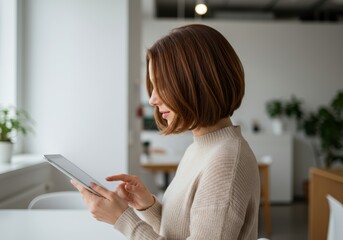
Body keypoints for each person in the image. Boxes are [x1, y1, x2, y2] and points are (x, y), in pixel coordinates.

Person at [72, 24, 260, 239]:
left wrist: (122, 219)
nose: (152, 99)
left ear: (197, 82)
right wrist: (147, 205)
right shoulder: (201, 148)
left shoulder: (226, 161)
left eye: (162, 85)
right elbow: (182, 232)